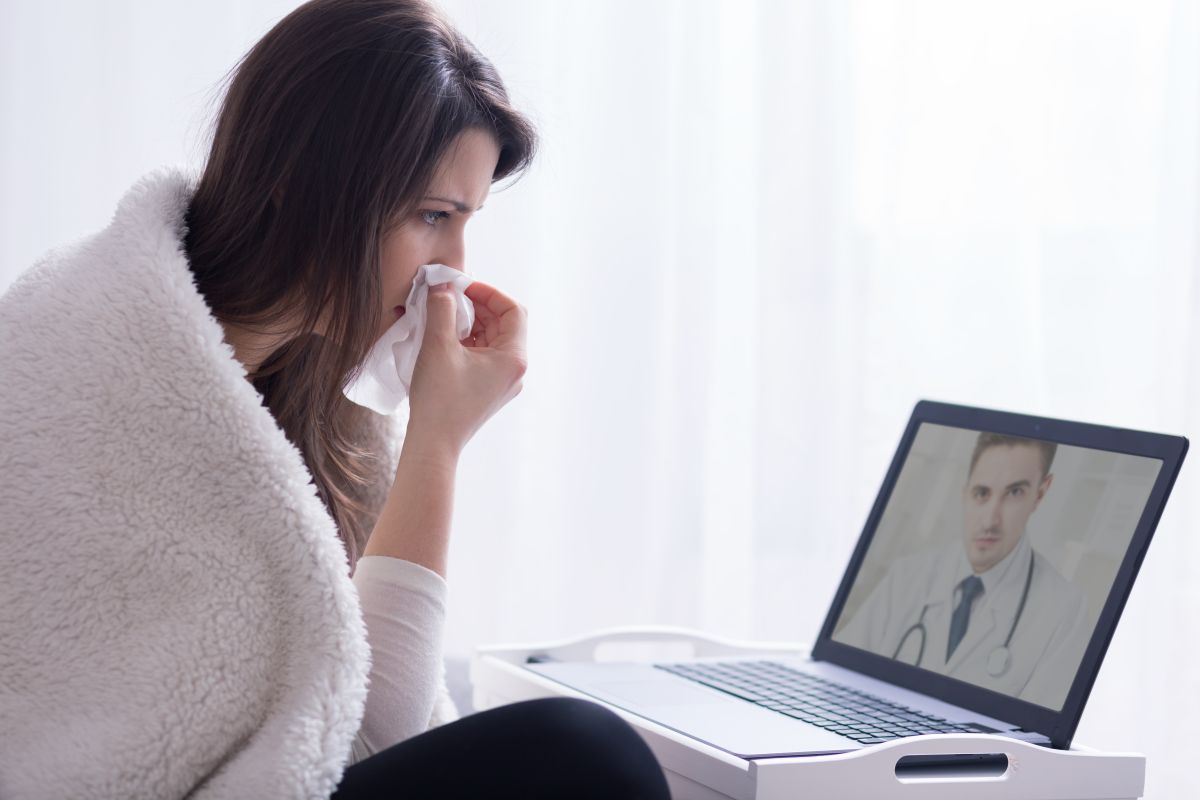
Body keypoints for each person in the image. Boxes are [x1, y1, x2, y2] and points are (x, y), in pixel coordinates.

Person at [0, 1, 670, 797]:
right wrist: (439, 443)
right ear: (301, 187)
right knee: (579, 751)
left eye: (466, 224)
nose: (451, 270)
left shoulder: (313, 394)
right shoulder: (84, 378)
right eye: (433, 217)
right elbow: (360, 741)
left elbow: (355, 719)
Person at [835, 433, 1091, 709]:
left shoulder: (1064, 611)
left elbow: (1035, 742)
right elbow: (837, 677)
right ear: (965, 492)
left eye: (1014, 493)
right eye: (982, 493)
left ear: (1040, 494)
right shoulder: (907, 576)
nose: (991, 520)